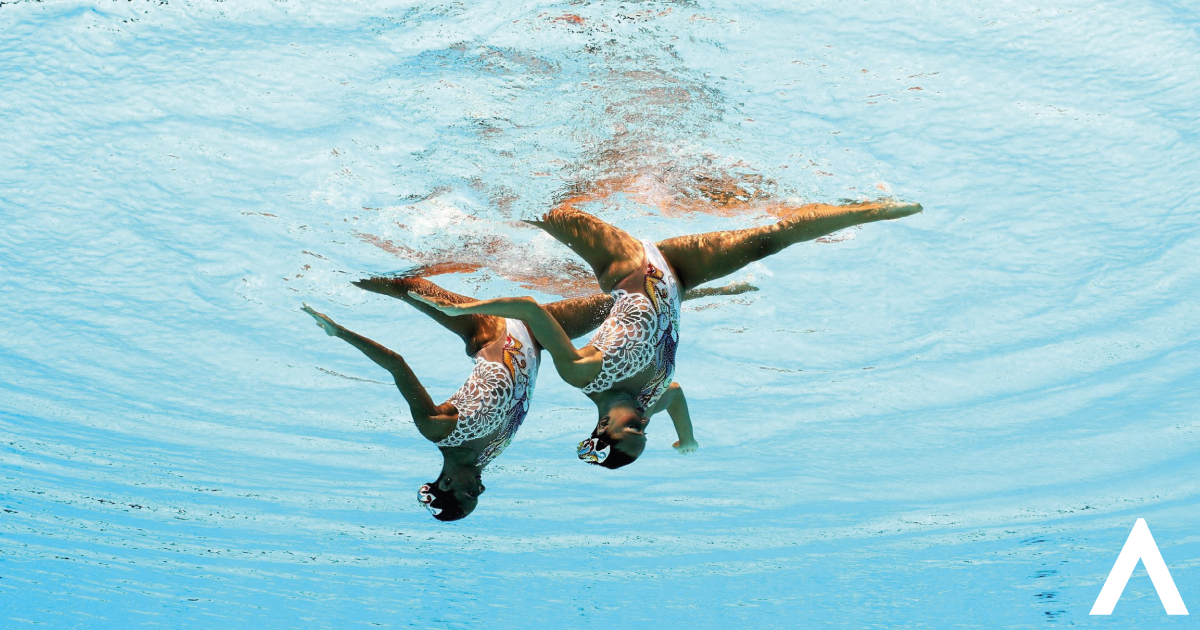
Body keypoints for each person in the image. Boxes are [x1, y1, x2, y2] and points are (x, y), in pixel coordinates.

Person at [412, 194, 922, 470]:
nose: (641, 424)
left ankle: (484, 194)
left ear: (602, 430)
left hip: (628, 268)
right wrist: (689, 438)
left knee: (548, 207)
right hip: (677, 275)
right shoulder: (651, 400)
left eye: (631, 431)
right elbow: (674, 396)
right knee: (768, 240)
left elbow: (528, 309)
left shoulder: (580, 375)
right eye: (645, 433)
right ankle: (875, 209)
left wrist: (477, 307)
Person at [302, 276, 611, 521]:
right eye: (479, 495)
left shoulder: (437, 429)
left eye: (472, 494)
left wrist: (339, 332)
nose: (481, 488)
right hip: (538, 334)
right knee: (621, 301)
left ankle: (343, 275)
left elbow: (396, 364)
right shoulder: (487, 456)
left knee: (406, 287)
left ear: (447, 484)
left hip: (487, 327)